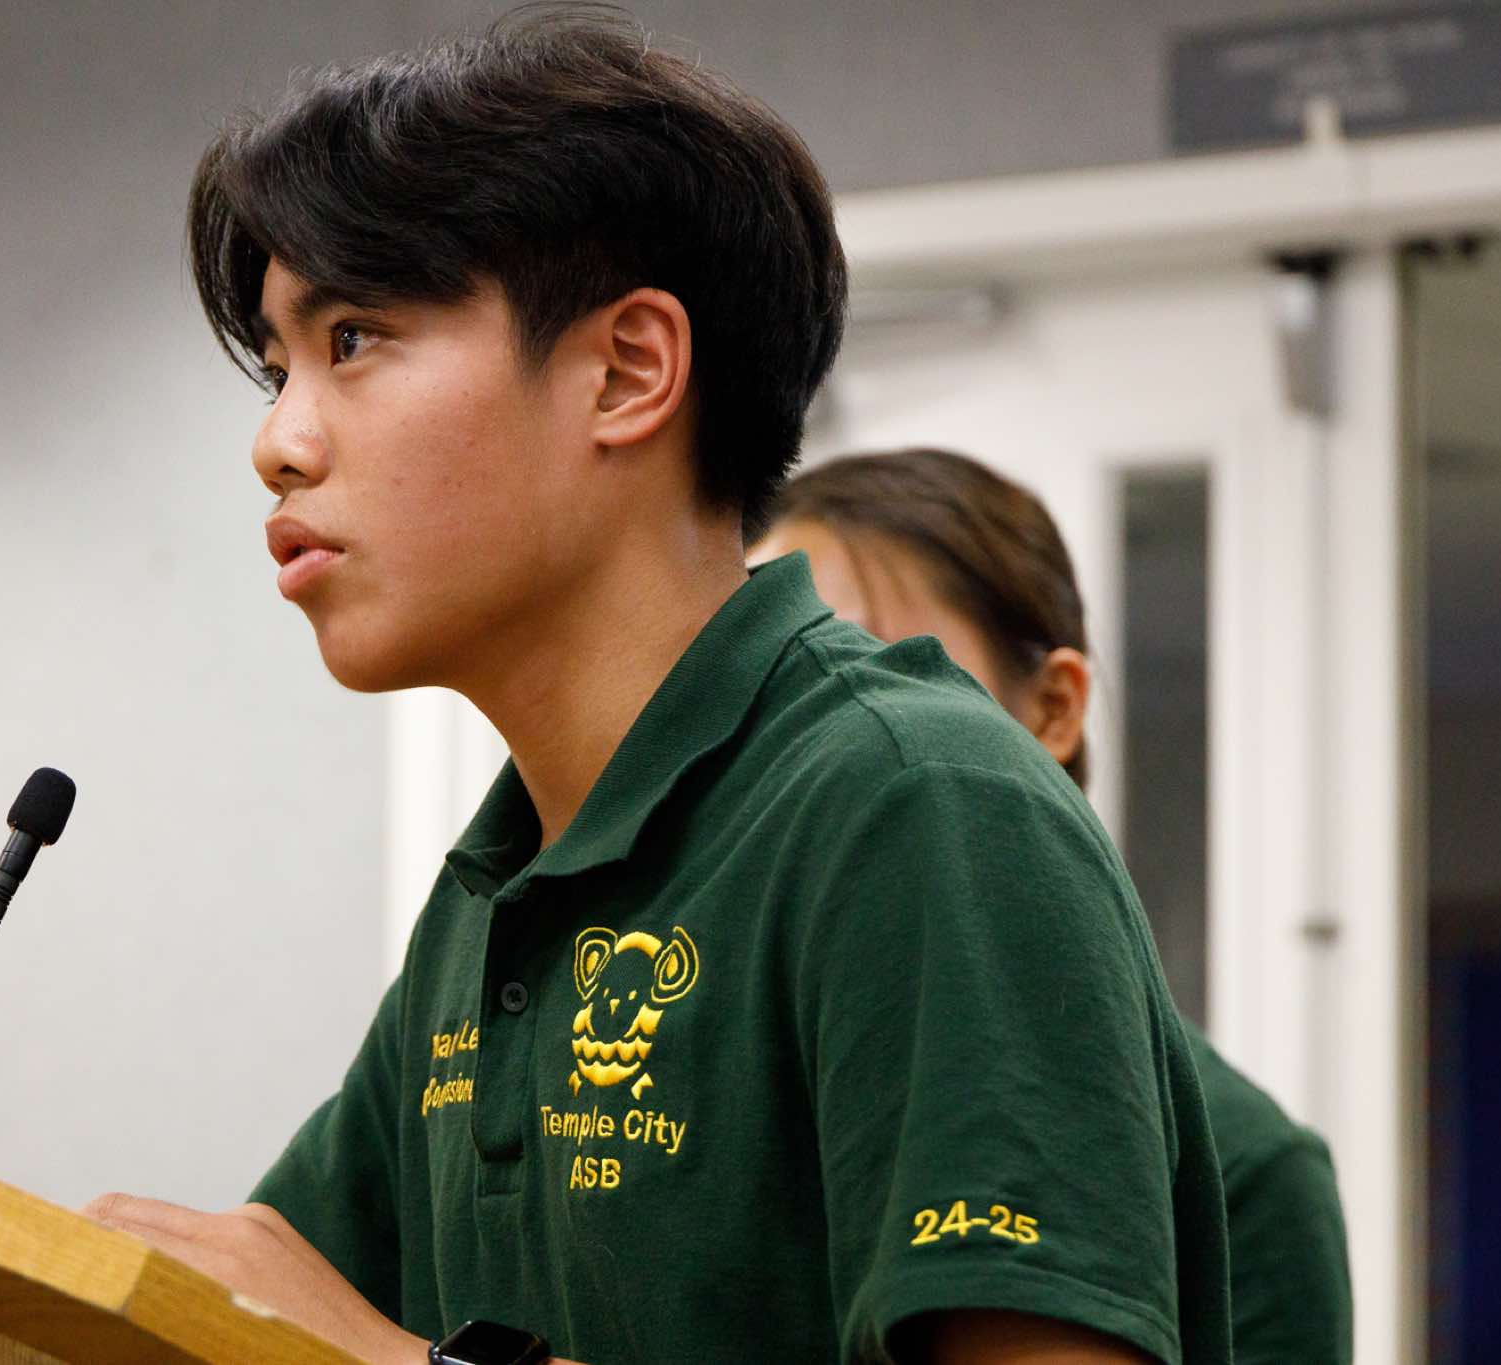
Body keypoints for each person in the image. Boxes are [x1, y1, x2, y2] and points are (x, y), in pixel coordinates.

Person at [66, 9, 1227, 1362]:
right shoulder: (492, 896)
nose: (278, 442)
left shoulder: (921, 807)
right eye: (277, 371)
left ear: (626, 372)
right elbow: (254, 1313)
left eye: (356, 338)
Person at [753, 446, 1354, 1363]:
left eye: (861, 665)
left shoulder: (1250, 1169)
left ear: (1054, 707)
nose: (797, 726)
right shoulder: (723, 1061)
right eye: (768, 675)